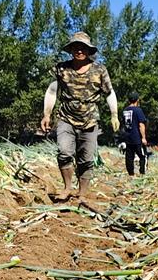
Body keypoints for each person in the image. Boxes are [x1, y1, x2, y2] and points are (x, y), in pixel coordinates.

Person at [41, 32, 119, 207]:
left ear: (89, 50)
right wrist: (47, 114)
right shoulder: (62, 68)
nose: (79, 50)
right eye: (76, 47)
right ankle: (67, 187)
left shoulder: (99, 70)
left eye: (83, 47)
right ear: (71, 50)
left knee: (86, 160)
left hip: (90, 121)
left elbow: (109, 93)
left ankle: (82, 194)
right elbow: (52, 91)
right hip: (66, 118)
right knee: (64, 152)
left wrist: (114, 114)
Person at [120, 94, 149, 176]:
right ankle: (142, 173)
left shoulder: (125, 110)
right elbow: (141, 125)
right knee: (142, 156)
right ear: (137, 100)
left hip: (128, 137)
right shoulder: (138, 110)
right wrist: (143, 138)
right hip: (137, 138)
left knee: (129, 157)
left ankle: (131, 174)